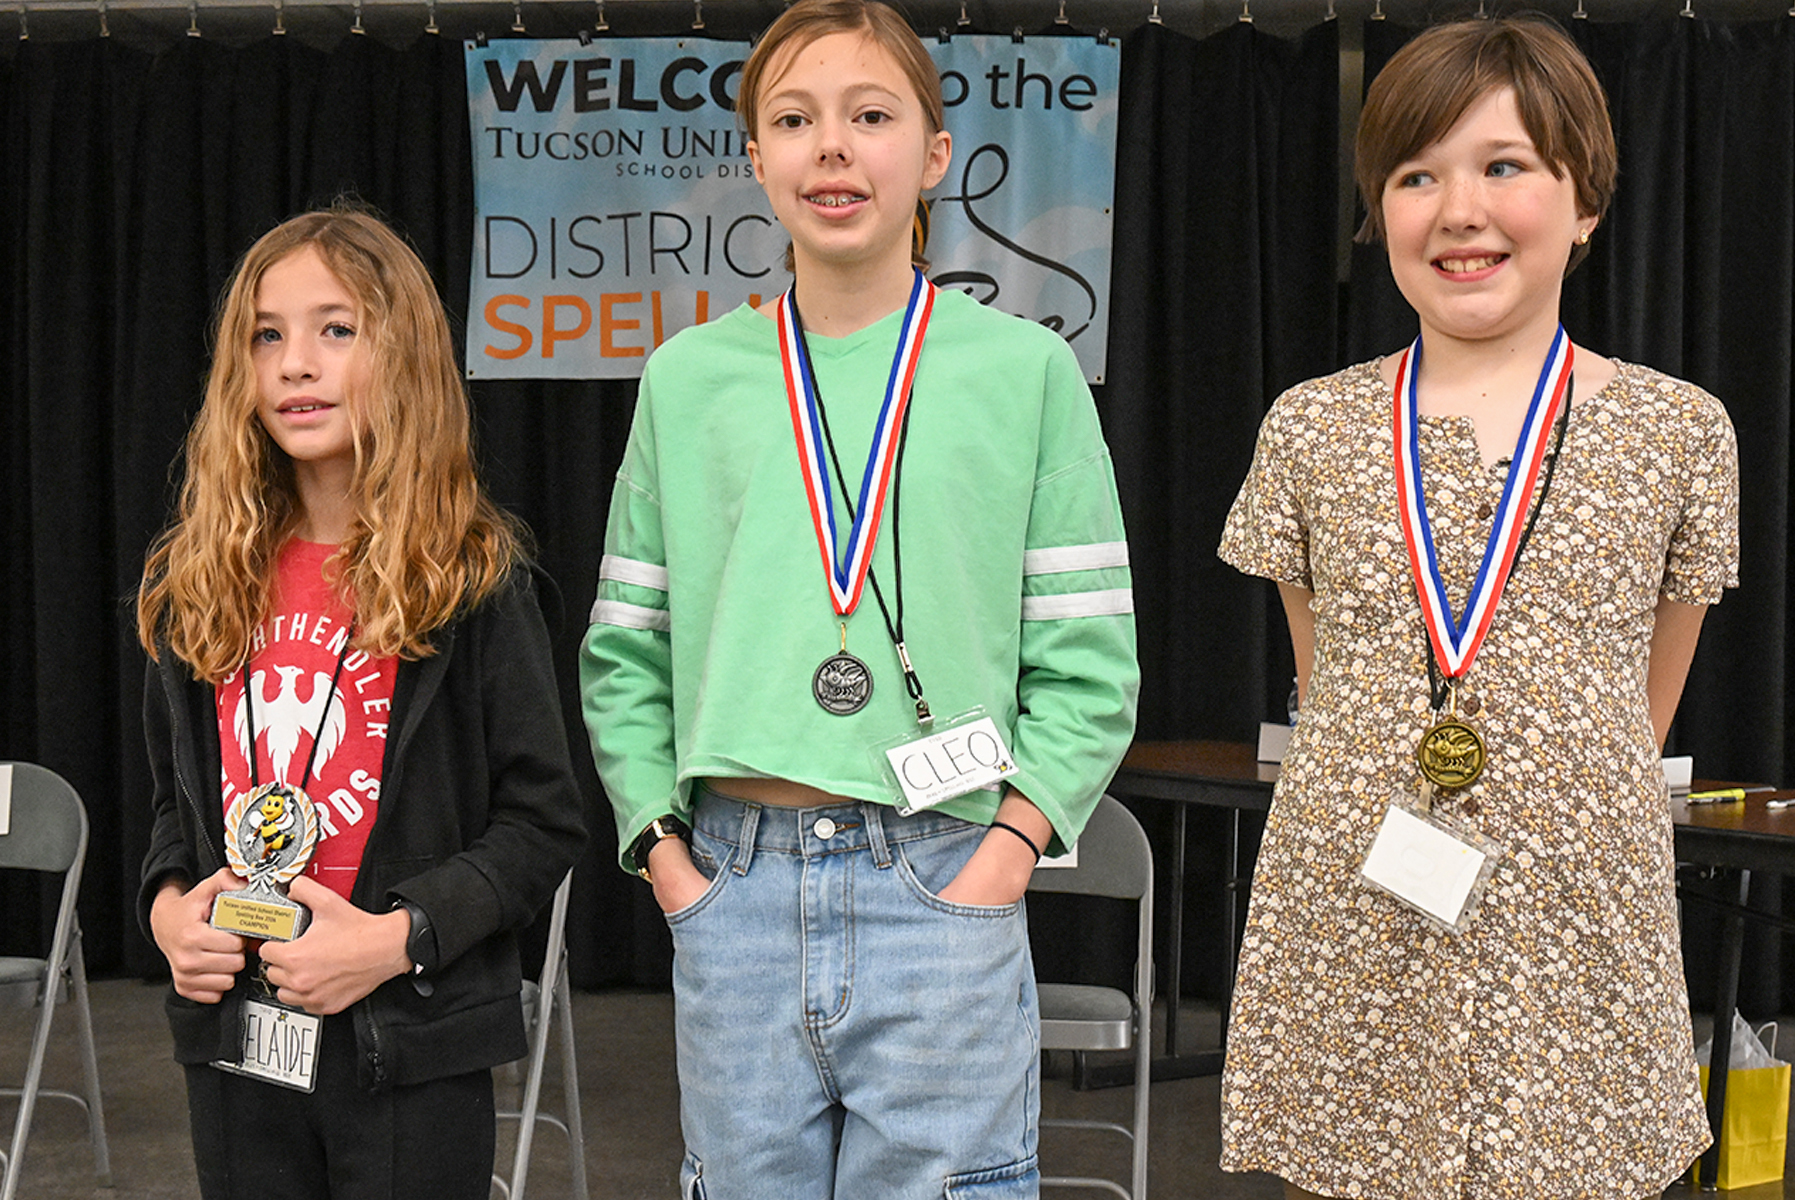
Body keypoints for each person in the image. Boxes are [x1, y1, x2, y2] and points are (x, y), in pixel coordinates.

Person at [579, 1, 1139, 1194]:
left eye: (871, 115)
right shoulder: (688, 382)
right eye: (795, 119)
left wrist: (1005, 851)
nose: (833, 147)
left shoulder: (1025, 372)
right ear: (757, 160)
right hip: (732, 879)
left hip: (941, 875)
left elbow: (1090, 661)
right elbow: (626, 647)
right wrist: (664, 853)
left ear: (935, 155)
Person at [1217, 17, 1739, 1200]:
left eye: (1504, 166)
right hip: (1360, 907)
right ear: (1381, 211)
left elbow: (1644, 697)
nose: (1460, 209)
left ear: (1585, 202)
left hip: (1577, 926)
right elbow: (1330, 676)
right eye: (1417, 175)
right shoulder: (1312, 426)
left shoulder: (1680, 431)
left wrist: (1553, 790)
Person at [136, 205, 586, 1200]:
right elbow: (175, 811)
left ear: (406, 356)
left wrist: (389, 942)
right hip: (236, 1033)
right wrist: (171, 915)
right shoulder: (196, 579)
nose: (297, 363)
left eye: (336, 330)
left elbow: (542, 823)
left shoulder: (471, 580)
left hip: (405, 1037)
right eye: (269, 333)